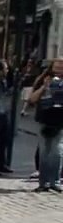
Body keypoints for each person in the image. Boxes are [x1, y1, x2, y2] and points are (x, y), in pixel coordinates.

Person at [27, 59, 63, 192]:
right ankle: (44, 182)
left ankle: (55, 181)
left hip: (60, 121)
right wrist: (44, 87)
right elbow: (32, 99)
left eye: (62, 66)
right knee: (44, 152)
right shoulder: (43, 79)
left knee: (56, 152)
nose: (59, 68)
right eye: (57, 65)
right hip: (44, 119)